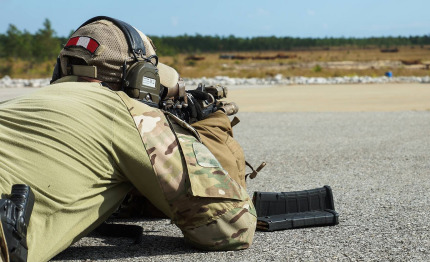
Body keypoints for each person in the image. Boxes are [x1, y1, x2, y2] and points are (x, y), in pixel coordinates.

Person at [0, 16, 256, 262]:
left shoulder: (13, 104)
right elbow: (230, 226)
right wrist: (208, 126)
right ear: (141, 77)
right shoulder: (127, 113)